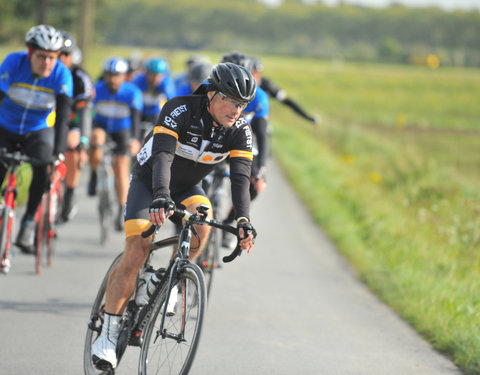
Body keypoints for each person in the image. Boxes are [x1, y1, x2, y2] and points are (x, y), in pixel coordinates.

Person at [91, 62, 257, 371]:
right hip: (150, 179)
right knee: (136, 251)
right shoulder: (179, 109)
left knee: (203, 223)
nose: (237, 109)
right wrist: (160, 196)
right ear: (213, 95)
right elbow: (163, 156)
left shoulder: (240, 131)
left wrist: (243, 221)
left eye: (243, 104)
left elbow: (240, 179)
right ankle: (108, 334)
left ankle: (171, 278)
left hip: (188, 186)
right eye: (232, 101)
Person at [0, 24, 73, 253]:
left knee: (43, 166)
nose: (47, 63)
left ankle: (29, 221)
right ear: (30, 53)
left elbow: (62, 116)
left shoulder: (62, 74)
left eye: (52, 58)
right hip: (5, 127)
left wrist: (59, 152)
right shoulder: (13, 63)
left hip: (37, 130)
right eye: (42, 57)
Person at [220, 52, 270, 248]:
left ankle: (227, 223)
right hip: (213, 139)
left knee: (255, 185)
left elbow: (262, 133)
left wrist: (261, 169)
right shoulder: (209, 90)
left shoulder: (259, 97)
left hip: (241, 142)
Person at [87, 57, 143, 231]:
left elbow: (136, 119)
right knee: (96, 138)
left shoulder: (132, 92)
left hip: (122, 130)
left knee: (121, 166)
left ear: (124, 76)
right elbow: (88, 114)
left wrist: (134, 140)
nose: (112, 79)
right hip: (101, 126)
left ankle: (121, 209)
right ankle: (94, 174)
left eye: (116, 75)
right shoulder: (97, 90)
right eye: (109, 75)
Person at [57, 30, 94, 222]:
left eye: (66, 54)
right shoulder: (45, 71)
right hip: (50, 120)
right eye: (58, 53)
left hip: (74, 121)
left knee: (73, 147)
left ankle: (69, 194)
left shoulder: (80, 77)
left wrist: (84, 141)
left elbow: (85, 112)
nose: (61, 58)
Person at [251, 56, 319, 125]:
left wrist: (307, 117)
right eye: (253, 72)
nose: (255, 76)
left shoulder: (268, 85)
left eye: (258, 73)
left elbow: (288, 102)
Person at [132, 57, 176, 125]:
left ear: (163, 75)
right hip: (140, 112)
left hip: (155, 113)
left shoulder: (166, 84)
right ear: (146, 74)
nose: (155, 79)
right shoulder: (139, 81)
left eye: (158, 76)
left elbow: (172, 102)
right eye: (152, 75)